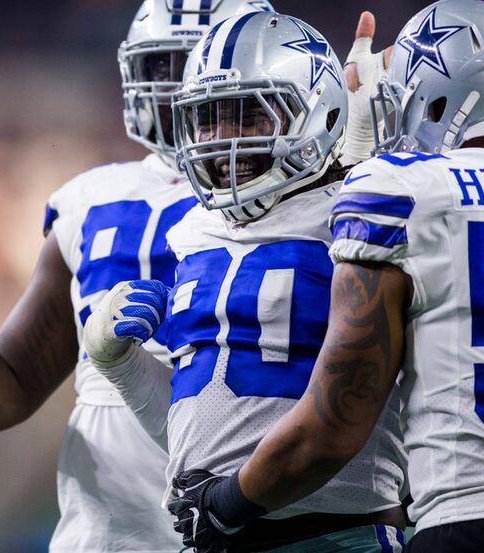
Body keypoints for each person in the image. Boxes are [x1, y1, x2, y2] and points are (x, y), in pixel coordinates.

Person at [163, 1, 484, 552]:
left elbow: (338, 420)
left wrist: (225, 504)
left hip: (471, 527)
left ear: (441, 94)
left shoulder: (404, 192)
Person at [0, 1, 273, 551]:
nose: (176, 90)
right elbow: (18, 372)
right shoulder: (90, 200)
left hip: (255, 513)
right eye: (162, 68)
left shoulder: (306, 198)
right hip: (108, 530)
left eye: (194, 68)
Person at [83, 12, 408, 553]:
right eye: (208, 120)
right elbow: (207, 437)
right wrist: (121, 368)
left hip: (336, 535)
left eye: (248, 116)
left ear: (319, 110)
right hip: (224, 529)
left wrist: (372, 160)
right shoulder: (195, 232)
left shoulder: (361, 212)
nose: (221, 140)